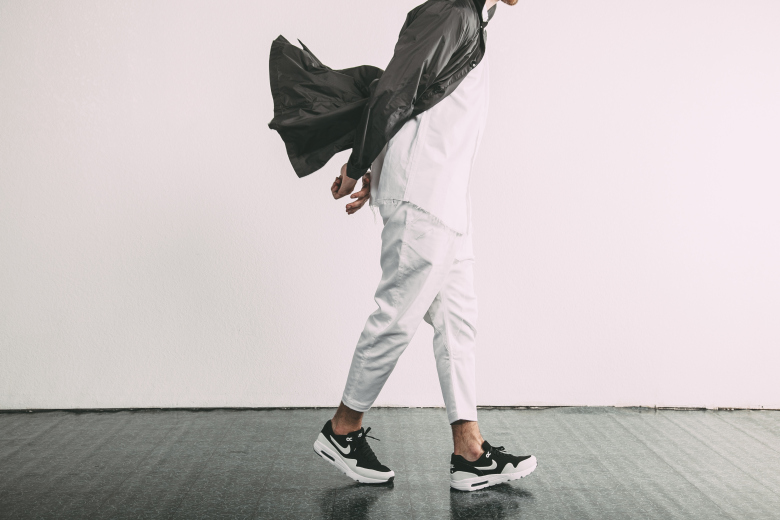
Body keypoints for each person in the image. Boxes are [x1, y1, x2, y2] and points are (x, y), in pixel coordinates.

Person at [311, 0, 537, 492]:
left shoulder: (470, 18)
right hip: (425, 195)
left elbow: (419, 104)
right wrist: (360, 163)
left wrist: (376, 166)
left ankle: (470, 453)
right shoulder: (453, 13)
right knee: (397, 315)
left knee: (458, 322)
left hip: (445, 198)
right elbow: (393, 91)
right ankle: (342, 430)